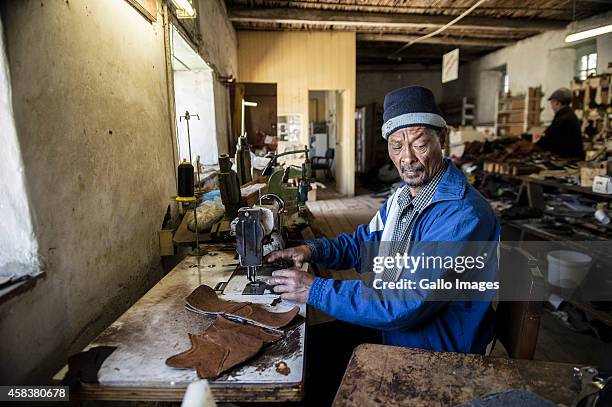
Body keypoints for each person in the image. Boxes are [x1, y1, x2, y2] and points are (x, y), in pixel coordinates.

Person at [267, 86, 500, 403]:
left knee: (307, 379)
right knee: (301, 354)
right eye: (396, 146)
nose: (407, 158)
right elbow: (368, 241)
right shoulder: (404, 198)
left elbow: (406, 302)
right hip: (397, 331)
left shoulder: (463, 217)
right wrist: (313, 250)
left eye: (419, 144)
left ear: (441, 140)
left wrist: (316, 290)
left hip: (434, 352)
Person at [536, 87, 584, 159]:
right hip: (573, 157)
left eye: (552, 102)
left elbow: (550, 138)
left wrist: (535, 144)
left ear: (557, 102)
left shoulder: (563, 118)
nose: (551, 106)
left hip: (568, 159)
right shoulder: (569, 115)